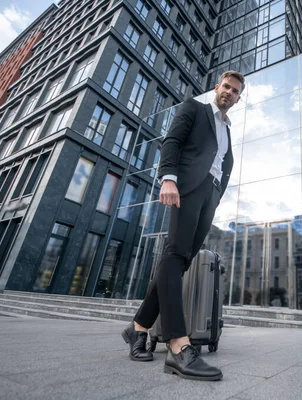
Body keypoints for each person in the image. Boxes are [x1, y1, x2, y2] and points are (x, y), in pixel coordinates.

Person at [121, 71, 245, 381]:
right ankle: (178, 344)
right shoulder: (194, 108)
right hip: (187, 187)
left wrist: (215, 198)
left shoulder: (227, 131)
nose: (229, 92)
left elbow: (221, 164)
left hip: (210, 194)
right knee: (175, 254)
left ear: (238, 98)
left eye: (235, 91)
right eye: (226, 86)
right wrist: (169, 179)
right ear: (217, 88)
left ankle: (138, 328)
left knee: (180, 261)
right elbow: (172, 142)